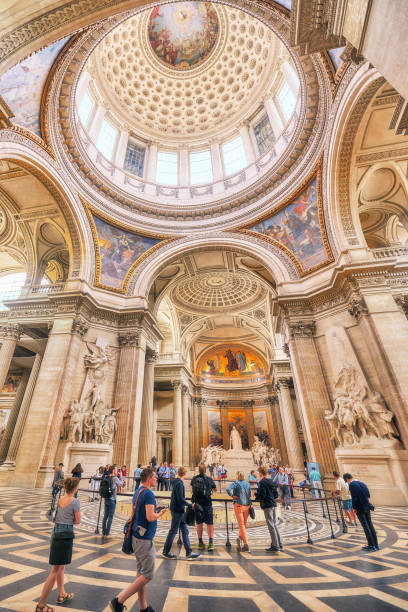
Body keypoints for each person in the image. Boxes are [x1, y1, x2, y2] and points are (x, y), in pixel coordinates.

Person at [109, 467, 167, 612]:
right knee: (148, 574)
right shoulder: (148, 494)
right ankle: (119, 600)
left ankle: (143, 607)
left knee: (141, 573)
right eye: (154, 477)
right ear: (149, 479)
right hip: (144, 539)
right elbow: (150, 517)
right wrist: (160, 514)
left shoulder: (138, 491)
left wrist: (154, 509)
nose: (156, 479)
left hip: (136, 535)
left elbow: (143, 512)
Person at [36, 477, 81, 612]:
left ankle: (62, 594)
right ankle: (41, 605)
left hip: (56, 533)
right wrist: (70, 519)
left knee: (61, 567)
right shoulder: (75, 502)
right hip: (65, 535)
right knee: (55, 570)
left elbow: (57, 517)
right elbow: (77, 520)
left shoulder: (61, 499)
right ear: (75, 488)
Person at [162, 466, 201, 560]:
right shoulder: (179, 483)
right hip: (177, 510)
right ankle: (166, 551)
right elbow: (180, 499)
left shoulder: (176, 482)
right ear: (185, 474)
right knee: (174, 531)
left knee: (185, 531)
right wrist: (189, 505)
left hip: (178, 510)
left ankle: (189, 552)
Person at [344, 473, 379, 551]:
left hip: (360, 508)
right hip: (367, 506)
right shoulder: (361, 483)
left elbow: (354, 498)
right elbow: (368, 495)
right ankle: (376, 544)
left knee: (365, 526)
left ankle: (371, 545)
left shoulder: (352, 485)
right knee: (370, 525)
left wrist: (354, 507)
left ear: (346, 479)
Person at [256, 466, 282, 552]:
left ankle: (275, 545)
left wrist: (256, 495)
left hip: (267, 505)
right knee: (274, 524)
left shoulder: (262, 482)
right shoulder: (271, 481)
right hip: (273, 504)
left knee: (271, 525)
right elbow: (276, 495)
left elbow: (262, 495)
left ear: (260, 473)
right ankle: (279, 543)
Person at [191, 463, 217, 551]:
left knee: (199, 523)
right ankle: (210, 543)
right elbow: (215, 489)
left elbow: (193, 490)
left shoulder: (194, 479)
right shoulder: (209, 479)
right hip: (207, 504)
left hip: (198, 504)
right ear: (206, 470)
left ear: (198, 470)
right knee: (209, 523)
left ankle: (200, 542)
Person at [227, 471, 252, 552]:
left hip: (239, 505)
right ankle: (239, 538)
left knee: (241, 525)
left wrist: (232, 495)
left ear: (237, 476)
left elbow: (228, 489)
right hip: (247, 505)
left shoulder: (236, 483)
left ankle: (246, 544)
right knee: (243, 524)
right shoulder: (247, 484)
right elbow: (249, 494)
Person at [102, 464, 125, 537]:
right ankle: (107, 533)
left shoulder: (106, 477)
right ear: (113, 470)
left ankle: (103, 531)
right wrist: (121, 477)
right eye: (116, 469)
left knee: (105, 516)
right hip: (112, 499)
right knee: (110, 517)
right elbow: (121, 484)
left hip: (106, 498)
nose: (117, 471)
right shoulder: (115, 478)